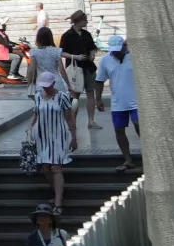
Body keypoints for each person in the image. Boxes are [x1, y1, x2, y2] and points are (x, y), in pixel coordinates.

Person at [30, 68, 77, 214]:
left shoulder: (62, 97)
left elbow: (69, 118)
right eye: (44, 85)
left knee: (56, 167)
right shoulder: (38, 97)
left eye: (48, 85)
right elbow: (35, 114)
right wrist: (30, 129)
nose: (46, 88)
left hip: (58, 135)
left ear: (53, 83)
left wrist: (74, 137)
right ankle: (57, 193)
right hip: (42, 135)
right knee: (45, 167)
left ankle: (58, 203)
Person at [93, 34, 139, 170]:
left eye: (119, 49)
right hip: (118, 102)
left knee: (139, 124)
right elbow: (100, 80)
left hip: (137, 101)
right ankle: (128, 160)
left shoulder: (135, 56)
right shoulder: (106, 60)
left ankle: (151, 156)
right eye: (114, 50)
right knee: (119, 130)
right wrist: (98, 99)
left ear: (125, 47)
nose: (116, 52)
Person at [59, 12, 101, 133]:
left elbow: (92, 48)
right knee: (75, 96)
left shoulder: (87, 34)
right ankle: (73, 122)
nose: (86, 21)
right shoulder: (67, 35)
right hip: (75, 69)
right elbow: (62, 52)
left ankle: (91, 121)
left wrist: (92, 54)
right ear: (78, 21)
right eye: (85, 19)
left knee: (90, 93)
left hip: (88, 67)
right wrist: (75, 57)